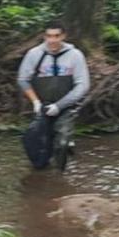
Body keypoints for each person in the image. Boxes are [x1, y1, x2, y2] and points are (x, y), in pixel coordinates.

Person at [17, 22, 91, 169]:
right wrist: (35, 102)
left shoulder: (75, 55)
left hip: (66, 106)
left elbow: (82, 85)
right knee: (35, 140)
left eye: (56, 36)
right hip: (41, 105)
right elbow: (23, 79)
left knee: (62, 143)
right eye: (49, 36)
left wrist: (59, 106)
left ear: (63, 36)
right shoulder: (34, 54)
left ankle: (60, 175)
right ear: (44, 36)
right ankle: (41, 171)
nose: (52, 40)